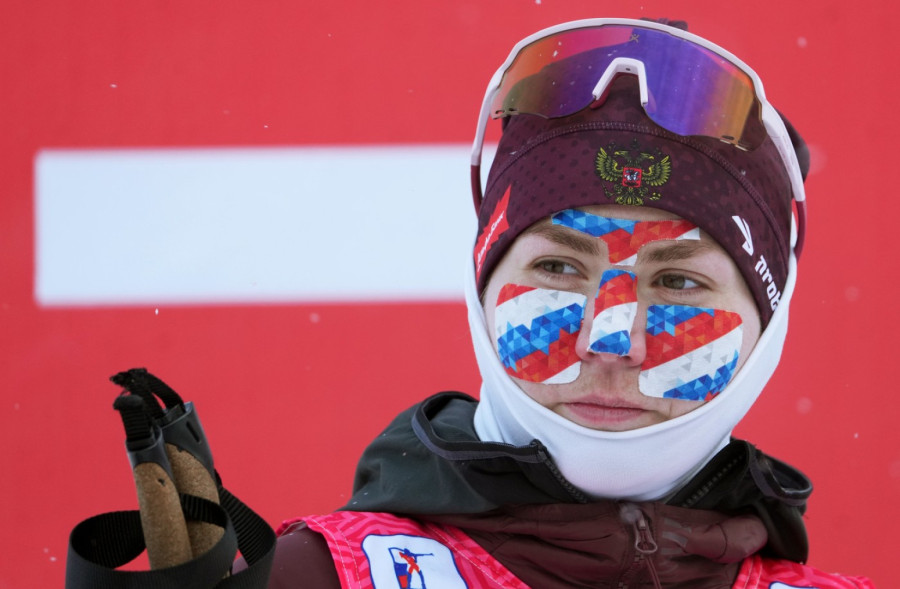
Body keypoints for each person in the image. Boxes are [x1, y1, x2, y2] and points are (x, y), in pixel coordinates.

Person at [258, 18, 875, 588]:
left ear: (765, 331)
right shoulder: (310, 577)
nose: (608, 339)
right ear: (484, 289)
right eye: (558, 268)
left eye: (679, 283)